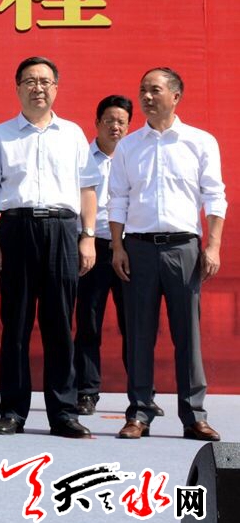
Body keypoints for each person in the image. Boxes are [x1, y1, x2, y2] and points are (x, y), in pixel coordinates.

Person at [0, 56, 99, 439]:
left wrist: (88, 235)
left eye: (45, 81)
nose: (38, 87)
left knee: (60, 324)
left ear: (56, 88)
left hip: (62, 230)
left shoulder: (72, 134)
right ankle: (13, 411)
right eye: (30, 81)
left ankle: (63, 413)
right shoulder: (0, 135)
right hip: (16, 229)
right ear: (18, 88)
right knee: (16, 325)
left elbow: (87, 189)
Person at [109, 68, 226, 441]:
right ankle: (139, 413)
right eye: (142, 89)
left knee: (187, 335)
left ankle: (194, 415)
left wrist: (213, 245)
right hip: (138, 248)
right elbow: (118, 199)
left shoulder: (199, 142)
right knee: (139, 334)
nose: (146, 96)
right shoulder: (129, 146)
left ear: (176, 96)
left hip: (183, 248)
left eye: (155, 90)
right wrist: (117, 246)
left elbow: (215, 195)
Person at [72, 95, 163, 418]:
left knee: (135, 325)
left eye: (122, 122)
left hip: (131, 247)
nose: (115, 127)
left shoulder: (137, 155)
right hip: (92, 246)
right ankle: (86, 391)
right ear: (97, 123)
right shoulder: (82, 158)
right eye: (109, 120)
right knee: (88, 322)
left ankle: (143, 394)